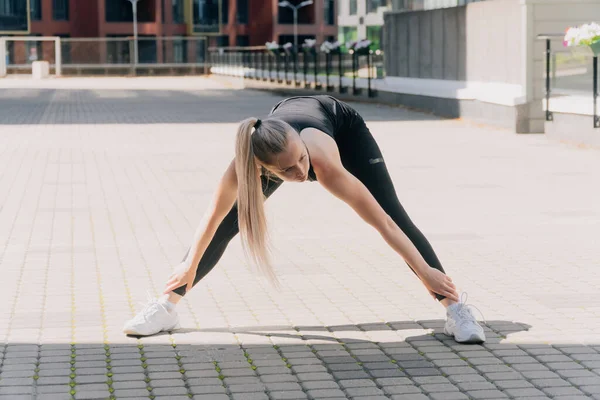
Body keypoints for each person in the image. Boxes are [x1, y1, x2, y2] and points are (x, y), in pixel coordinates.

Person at [123, 95, 486, 344]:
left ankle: (455, 308)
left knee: (392, 212)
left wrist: (426, 272)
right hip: (278, 139)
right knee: (228, 225)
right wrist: (187, 266)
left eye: (299, 160)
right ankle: (167, 307)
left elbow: (384, 225)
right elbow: (212, 217)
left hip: (344, 127)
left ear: (300, 143)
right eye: (286, 169)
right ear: (263, 169)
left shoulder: (322, 162)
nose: (301, 171)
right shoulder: (244, 165)